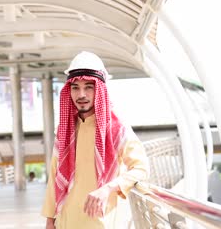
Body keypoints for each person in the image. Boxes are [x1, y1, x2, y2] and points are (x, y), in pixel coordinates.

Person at [41, 52, 150, 228]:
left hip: (101, 223)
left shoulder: (117, 129)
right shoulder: (65, 130)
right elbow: (54, 177)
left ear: (99, 89)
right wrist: (49, 220)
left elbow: (141, 169)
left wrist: (108, 188)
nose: (81, 94)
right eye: (75, 87)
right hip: (65, 222)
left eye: (88, 87)